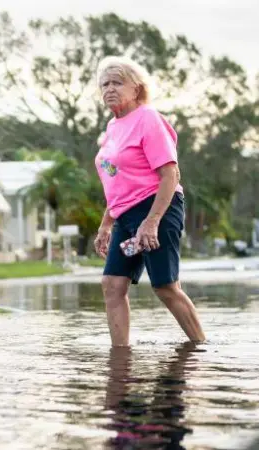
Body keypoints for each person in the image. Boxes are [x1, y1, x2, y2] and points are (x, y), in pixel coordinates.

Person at [92, 55, 206, 347]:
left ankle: (202, 347)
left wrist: (151, 221)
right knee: (112, 285)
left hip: (157, 206)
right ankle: (121, 356)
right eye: (105, 84)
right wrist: (106, 224)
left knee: (165, 286)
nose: (109, 89)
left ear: (137, 89)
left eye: (118, 82)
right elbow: (118, 182)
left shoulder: (148, 118)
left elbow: (170, 174)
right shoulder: (112, 129)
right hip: (125, 213)